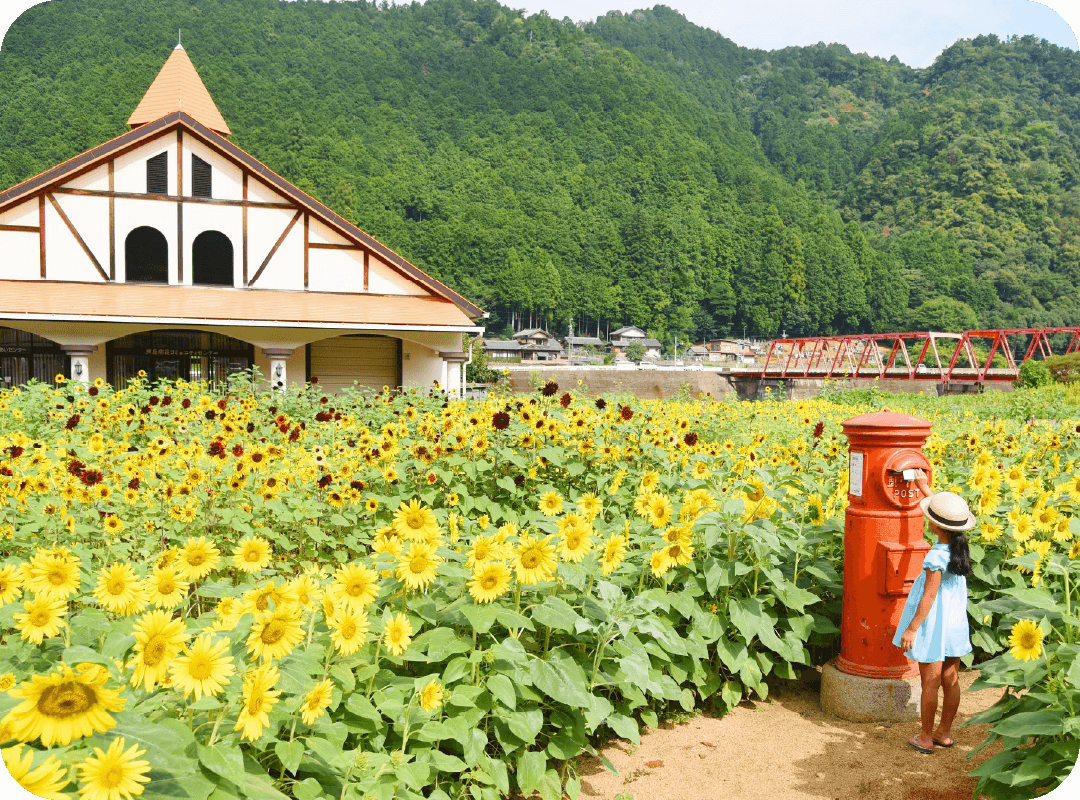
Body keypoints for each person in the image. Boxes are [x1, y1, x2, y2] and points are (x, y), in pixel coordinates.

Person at [891, 469, 974, 755]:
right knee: (951, 679)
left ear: (935, 527)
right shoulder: (959, 546)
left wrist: (912, 628)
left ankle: (925, 737)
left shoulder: (936, 556)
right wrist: (924, 487)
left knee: (930, 681)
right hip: (954, 623)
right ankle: (945, 733)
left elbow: (928, 596)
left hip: (934, 624)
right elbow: (944, 517)